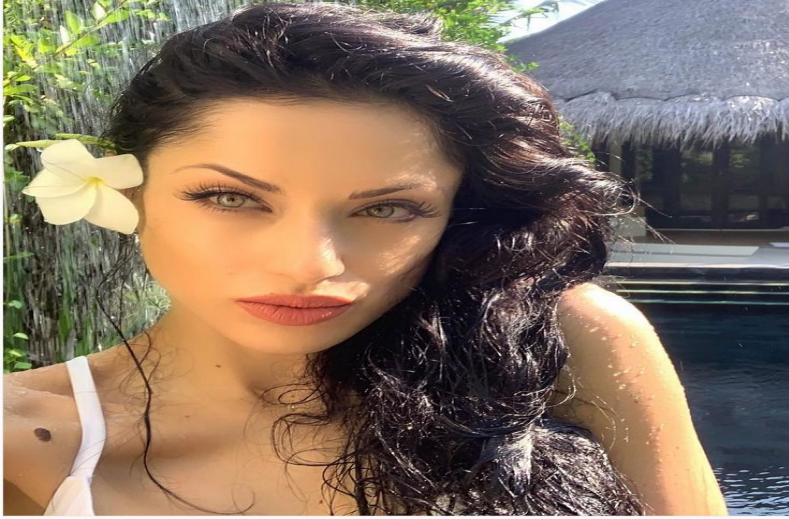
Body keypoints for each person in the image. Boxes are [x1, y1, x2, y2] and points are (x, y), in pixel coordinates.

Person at [3, 1, 728, 515]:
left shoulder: (559, 343)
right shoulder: (22, 445)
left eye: (387, 208)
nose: (308, 264)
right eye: (230, 197)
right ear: (130, 195)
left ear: (457, 214)